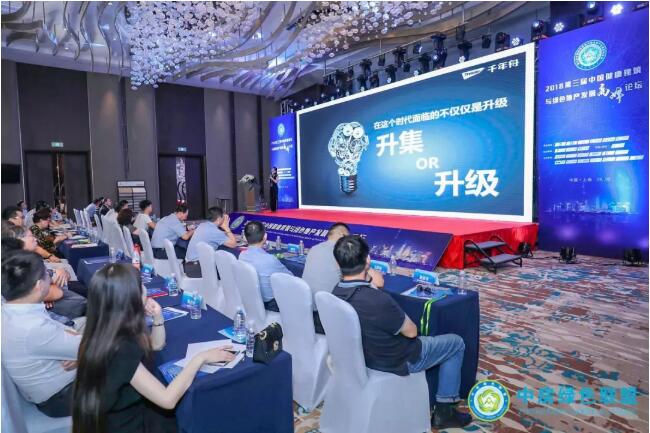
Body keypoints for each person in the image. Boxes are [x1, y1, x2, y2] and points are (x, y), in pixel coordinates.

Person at [72, 264, 234, 433]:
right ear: (130, 298)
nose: (145, 288)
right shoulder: (120, 349)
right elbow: (167, 399)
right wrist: (200, 358)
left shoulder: (103, 329)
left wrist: (158, 316)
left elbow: (156, 345)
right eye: (140, 285)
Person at [331, 235, 472, 429]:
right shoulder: (377, 300)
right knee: (456, 343)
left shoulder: (335, 292)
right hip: (397, 359)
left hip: (362, 356)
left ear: (337, 263)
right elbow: (412, 332)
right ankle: (444, 411)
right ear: (368, 260)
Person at [1, 250, 82, 417]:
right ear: (39, 285)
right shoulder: (32, 327)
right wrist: (84, 356)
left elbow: (75, 341)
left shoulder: (13, 310)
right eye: (47, 275)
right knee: (126, 355)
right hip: (62, 397)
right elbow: (96, 348)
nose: (50, 279)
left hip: (53, 384)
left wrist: (81, 356)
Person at [302, 222, 384, 334]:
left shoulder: (314, 249)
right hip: (329, 321)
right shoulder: (343, 253)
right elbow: (379, 282)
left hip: (307, 314)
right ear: (342, 235)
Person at [2, 226, 87, 319]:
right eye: (31, 236)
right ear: (19, 240)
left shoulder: (28, 258)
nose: (35, 239)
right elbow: (55, 293)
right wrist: (46, 293)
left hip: (60, 291)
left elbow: (61, 275)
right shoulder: (19, 266)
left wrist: (55, 278)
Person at [239, 221, 292, 311]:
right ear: (265, 237)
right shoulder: (270, 259)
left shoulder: (242, 255)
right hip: (270, 304)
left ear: (245, 237)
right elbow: (291, 278)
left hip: (250, 298)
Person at [184, 207, 237, 278]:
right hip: (198, 269)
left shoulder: (202, 225)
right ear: (219, 219)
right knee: (230, 268)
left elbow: (213, 235)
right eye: (223, 217)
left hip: (189, 266)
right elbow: (233, 244)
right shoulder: (215, 232)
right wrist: (226, 227)